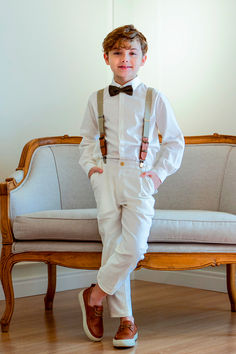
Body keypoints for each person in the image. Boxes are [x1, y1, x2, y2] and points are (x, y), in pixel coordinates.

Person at [78, 24, 185, 348]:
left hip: (140, 178)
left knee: (135, 246)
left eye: (131, 53)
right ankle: (126, 321)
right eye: (118, 53)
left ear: (143, 58)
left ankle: (95, 295)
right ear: (107, 58)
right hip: (106, 177)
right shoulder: (96, 99)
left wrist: (156, 175)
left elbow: (175, 142)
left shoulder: (155, 98)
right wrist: (92, 170)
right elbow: (86, 141)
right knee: (112, 244)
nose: (125, 58)